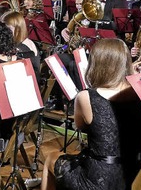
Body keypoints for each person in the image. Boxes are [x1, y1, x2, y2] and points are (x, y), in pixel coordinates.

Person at [41, 39, 134, 190]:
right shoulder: (140, 94)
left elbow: (80, 125)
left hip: (99, 179)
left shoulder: (87, 97)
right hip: (131, 173)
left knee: (52, 158)